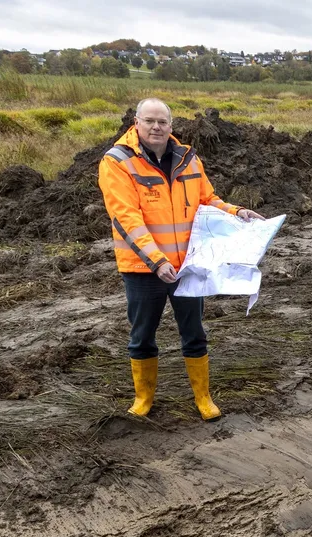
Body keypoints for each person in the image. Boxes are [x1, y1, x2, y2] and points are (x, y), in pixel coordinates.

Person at [98, 98, 264, 420]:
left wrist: (236, 212)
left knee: (194, 332)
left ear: (171, 126)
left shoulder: (188, 158)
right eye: (149, 121)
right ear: (136, 122)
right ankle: (143, 399)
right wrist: (157, 261)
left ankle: (203, 397)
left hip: (188, 267)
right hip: (144, 270)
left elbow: (207, 200)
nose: (156, 127)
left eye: (162, 121)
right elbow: (125, 218)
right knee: (142, 335)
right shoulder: (118, 162)